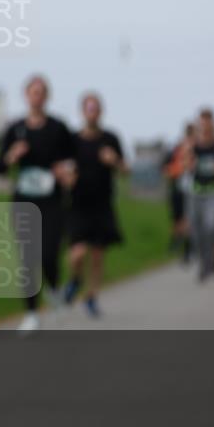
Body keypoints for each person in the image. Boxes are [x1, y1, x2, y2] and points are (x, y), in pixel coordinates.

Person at [0, 75, 75, 332]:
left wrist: (66, 171)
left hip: (52, 200)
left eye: (41, 92)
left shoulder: (58, 128)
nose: (37, 97)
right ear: (26, 95)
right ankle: (31, 313)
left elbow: (72, 160)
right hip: (24, 200)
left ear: (47, 96)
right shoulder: (15, 129)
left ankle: (53, 287)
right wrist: (11, 155)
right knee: (28, 257)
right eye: (33, 92)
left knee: (49, 253)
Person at [62, 93, 127, 317]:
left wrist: (115, 161)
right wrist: (66, 177)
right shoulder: (73, 140)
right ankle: (75, 280)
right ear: (82, 111)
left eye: (96, 108)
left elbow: (126, 170)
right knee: (77, 253)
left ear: (101, 111)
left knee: (98, 256)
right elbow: (63, 168)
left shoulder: (111, 139)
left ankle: (91, 298)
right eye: (88, 108)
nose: (92, 112)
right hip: (79, 204)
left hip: (102, 204)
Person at [182, 108, 214, 282]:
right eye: (202, 122)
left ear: (213, 124)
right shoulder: (191, 145)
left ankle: (210, 260)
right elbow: (185, 166)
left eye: (208, 122)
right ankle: (204, 263)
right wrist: (189, 164)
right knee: (196, 232)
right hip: (195, 192)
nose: (205, 125)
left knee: (212, 226)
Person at [163, 123, 195, 263]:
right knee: (177, 219)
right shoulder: (176, 149)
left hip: (193, 190)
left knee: (187, 220)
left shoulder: (198, 149)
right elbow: (166, 168)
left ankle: (187, 247)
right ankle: (177, 242)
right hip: (177, 187)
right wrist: (177, 168)